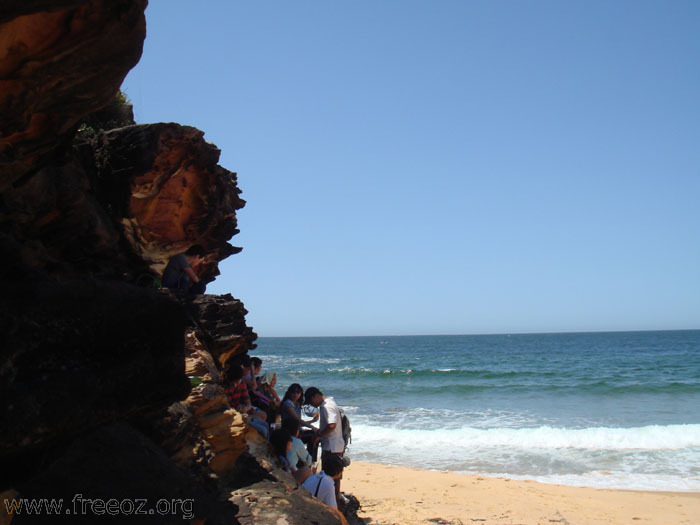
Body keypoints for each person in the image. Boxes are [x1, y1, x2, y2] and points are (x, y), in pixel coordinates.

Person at [305, 386, 345, 500]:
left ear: (316, 396)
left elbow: (332, 425)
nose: (312, 405)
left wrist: (319, 434)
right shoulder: (329, 404)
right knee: (335, 475)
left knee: (331, 475)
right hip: (334, 445)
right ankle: (333, 498)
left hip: (332, 447)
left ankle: (332, 500)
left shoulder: (327, 406)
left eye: (311, 401)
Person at [281, 384, 319, 460]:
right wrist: (312, 426)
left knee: (315, 435)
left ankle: (311, 459)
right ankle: (309, 460)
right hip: (289, 433)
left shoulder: (297, 404)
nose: (296, 395)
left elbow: (299, 423)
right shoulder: (287, 404)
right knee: (312, 436)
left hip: (298, 431)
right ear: (289, 393)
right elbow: (297, 420)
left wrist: (313, 420)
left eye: (298, 392)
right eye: (293, 392)